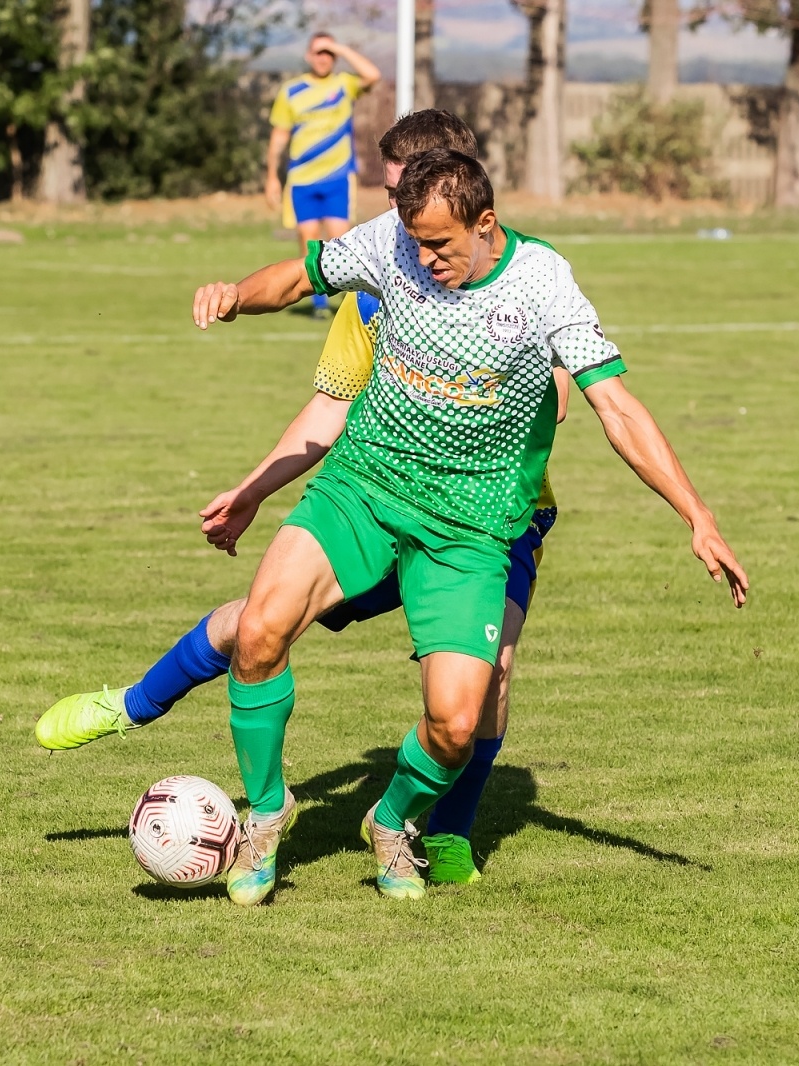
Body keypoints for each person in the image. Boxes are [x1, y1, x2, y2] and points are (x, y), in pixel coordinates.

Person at [182, 149, 747, 905]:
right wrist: (235, 296)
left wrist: (697, 515)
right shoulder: (393, 241)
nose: (424, 259)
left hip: (470, 526)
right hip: (365, 487)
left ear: (486, 223)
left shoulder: (542, 283)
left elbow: (616, 406)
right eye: (416, 243)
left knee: (455, 724)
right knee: (258, 632)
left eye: (440, 245)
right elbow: (300, 276)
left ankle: (391, 820)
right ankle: (265, 814)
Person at [37, 111, 565, 886]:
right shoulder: (377, 282)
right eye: (391, 198)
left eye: (402, 196)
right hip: (384, 496)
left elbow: (564, 391)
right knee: (258, 622)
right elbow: (330, 407)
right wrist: (253, 490)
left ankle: (446, 831)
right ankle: (135, 703)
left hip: (490, 519)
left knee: (491, 675)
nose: (391, 214)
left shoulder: (526, 278)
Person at [266, 32, 381, 318]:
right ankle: (320, 306)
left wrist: (340, 47)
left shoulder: (344, 84)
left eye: (329, 53)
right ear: (308, 56)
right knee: (309, 241)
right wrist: (271, 176)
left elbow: (372, 75)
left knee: (341, 243)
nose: (324, 58)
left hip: (337, 179)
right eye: (319, 52)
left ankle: (351, 305)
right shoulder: (292, 91)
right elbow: (279, 136)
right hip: (302, 180)